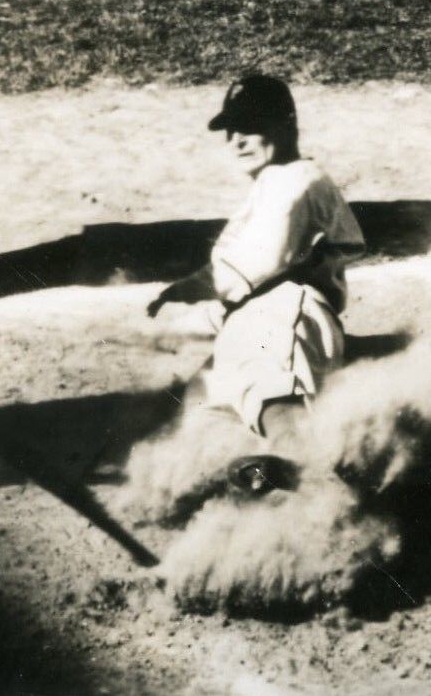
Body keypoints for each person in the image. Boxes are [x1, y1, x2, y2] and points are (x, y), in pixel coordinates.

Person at [147, 75, 367, 440]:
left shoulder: (294, 181)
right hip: (261, 313)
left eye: (250, 126)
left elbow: (252, 268)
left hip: (281, 311)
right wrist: (185, 289)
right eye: (230, 131)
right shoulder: (277, 181)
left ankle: (310, 477)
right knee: (201, 404)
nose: (237, 140)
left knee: (274, 402)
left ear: (285, 124)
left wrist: (191, 298)